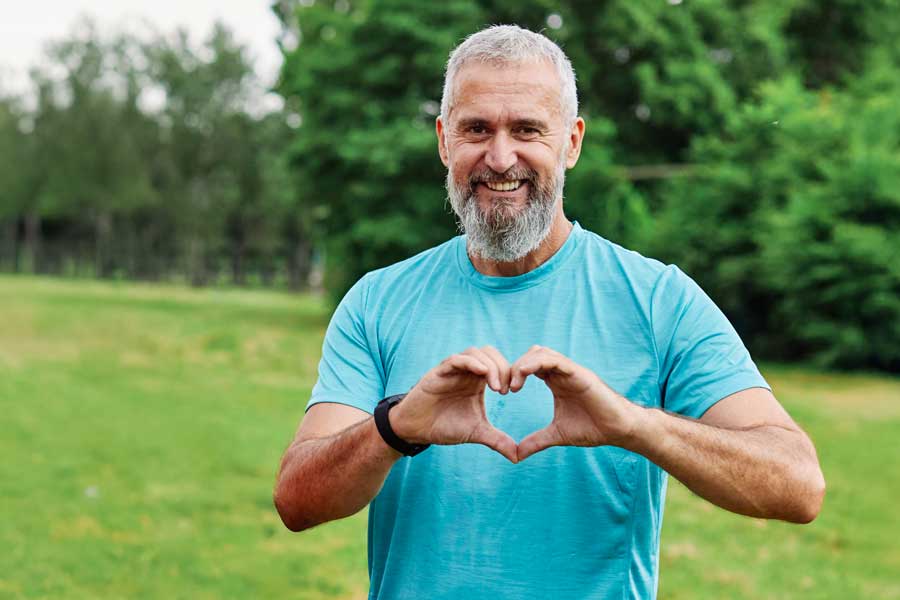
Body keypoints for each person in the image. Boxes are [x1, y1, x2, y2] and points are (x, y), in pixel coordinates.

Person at [274, 24, 825, 600]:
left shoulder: (660, 299)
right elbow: (296, 500)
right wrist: (395, 427)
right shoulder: (378, 300)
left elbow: (797, 483)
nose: (500, 156)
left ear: (572, 142)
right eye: (477, 129)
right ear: (444, 140)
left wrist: (634, 425)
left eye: (528, 129)